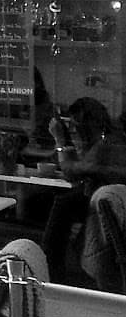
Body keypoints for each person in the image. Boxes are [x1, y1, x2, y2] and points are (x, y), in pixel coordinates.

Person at [41, 97, 126, 283]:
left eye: (75, 126)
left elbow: (71, 171)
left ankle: (50, 273)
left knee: (63, 204)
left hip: (106, 203)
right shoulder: (110, 140)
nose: (74, 130)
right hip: (103, 199)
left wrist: (59, 140)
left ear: (86, 123)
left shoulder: (107, 144)